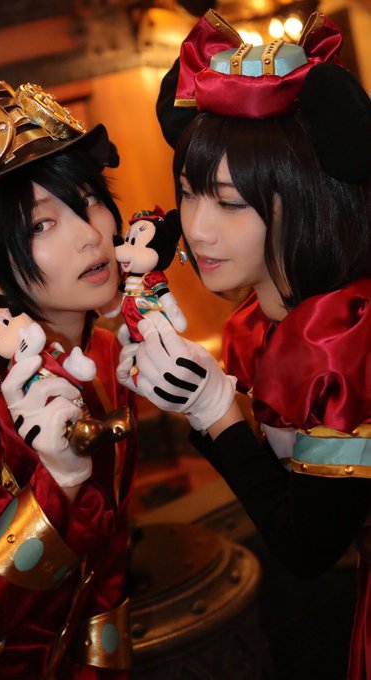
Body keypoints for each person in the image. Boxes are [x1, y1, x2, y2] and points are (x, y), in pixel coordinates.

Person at [116, 9, 371, 679]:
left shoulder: (343, 335)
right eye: (188, 193)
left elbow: (308, 547)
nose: (198, 228)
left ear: (302, 198)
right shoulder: (256, 324)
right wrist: (207, 404)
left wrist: (215, 412)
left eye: (229, 202)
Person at [0, 81, 136, 679]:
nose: (89, 234)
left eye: (88, 200)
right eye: (41, 225)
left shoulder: (107, 356)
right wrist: (57, 486)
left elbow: (108, 571)